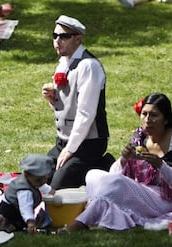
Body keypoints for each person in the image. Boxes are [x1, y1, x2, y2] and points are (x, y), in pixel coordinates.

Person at [64, 93, 172, 233]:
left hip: (164, 200)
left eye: (154, 115)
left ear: (166, 119)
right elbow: (113, 174)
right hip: (139, 190)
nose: (147, 120)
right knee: (93, 175)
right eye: (144, 114)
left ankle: (82, 221)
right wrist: (124, 159)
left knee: (116, 183)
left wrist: (160, 165)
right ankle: (94, 216)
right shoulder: (140, 138)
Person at [42, 15, 112, 190]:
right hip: (64, 140)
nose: (58, 41)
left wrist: (70, 150)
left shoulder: (89, 66)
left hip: (88, 143)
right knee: (37, 178)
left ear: (78, 39)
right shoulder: (63, 63)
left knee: (57, 189)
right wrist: (53, 100)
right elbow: (66, 104)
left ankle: (105, 167)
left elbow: (86, 113)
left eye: (64, 36)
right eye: (55, 35)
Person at [0, 154, 54, 234]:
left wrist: (50, 190)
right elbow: (25, 207)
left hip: (16, 206)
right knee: (19, 226)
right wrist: (30, 220)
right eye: (39, 180)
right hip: (11, 209)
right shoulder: (24, 190)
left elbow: (41, 185)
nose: (42, 182)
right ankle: (4, 224)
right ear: (26, 175)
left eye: (45, 179)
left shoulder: (34, 180)